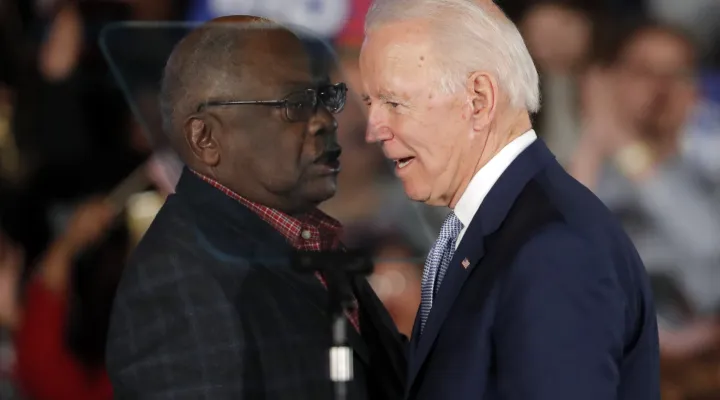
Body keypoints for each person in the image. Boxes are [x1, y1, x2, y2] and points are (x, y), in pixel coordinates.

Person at [359, 1, 659, 399]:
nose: (373, 131)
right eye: (370, 104)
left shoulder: (552, 251)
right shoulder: (496, 229)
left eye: (394, 102)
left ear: (478, 100)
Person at [105, 16, 405, 400]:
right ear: (206, 137)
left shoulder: (308, 238)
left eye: (323, 98)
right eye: (294, 105)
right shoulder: (178, 282)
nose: (322, 122)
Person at [569, 21, 720, 362]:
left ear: (694, 92)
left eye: (675, 73)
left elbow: (710, 251)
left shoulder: (711, 170)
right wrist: (595, 140)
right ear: (613, 83)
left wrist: (625, 146)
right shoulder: (582, 171)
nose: (660, 87)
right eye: (644, 71)